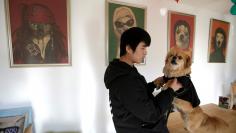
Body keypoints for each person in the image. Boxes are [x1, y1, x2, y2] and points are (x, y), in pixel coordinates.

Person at [104, 27, 182, 133]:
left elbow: (137, 95)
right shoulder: (124, 80)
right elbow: (151, 115)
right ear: (128, 49)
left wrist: (153, 84)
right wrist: (170, 90)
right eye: (143, 48)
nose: (146, 52)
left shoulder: (125, 69)